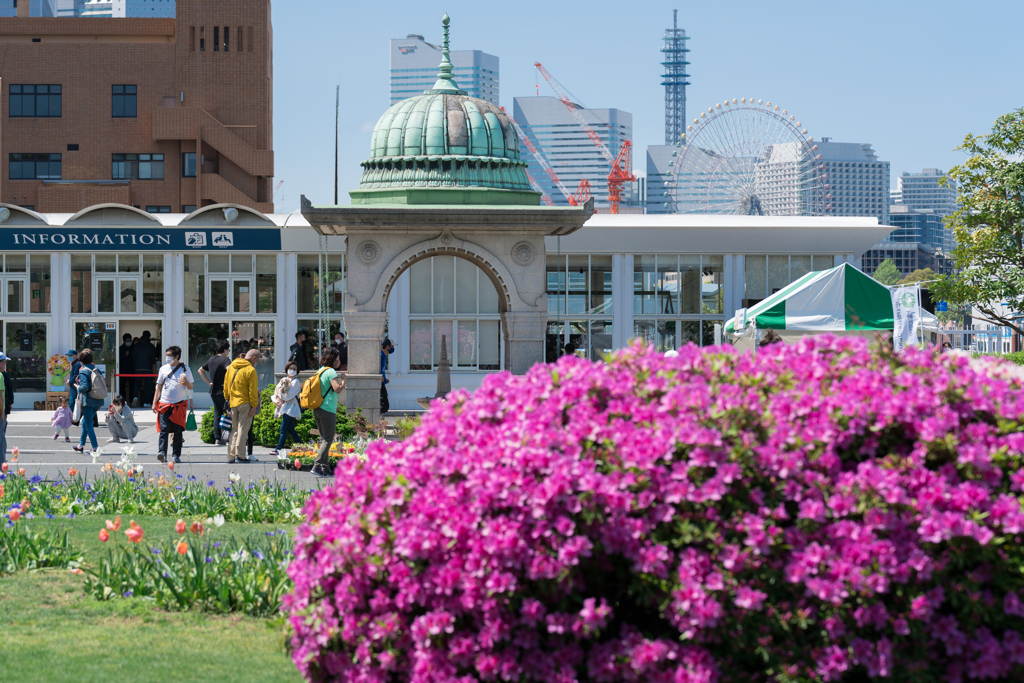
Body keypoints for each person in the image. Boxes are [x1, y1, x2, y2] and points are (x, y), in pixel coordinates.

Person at [152, 346, 193, 464]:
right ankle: (162, 452)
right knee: (163, 429)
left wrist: (186, 383)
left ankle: (176, 455)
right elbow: (159, 386)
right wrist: (155, 402)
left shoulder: (185, 369)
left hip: (179, 404)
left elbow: (191, 387)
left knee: (177, 430)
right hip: (164, 403)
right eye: (166, 355)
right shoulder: (163, 369)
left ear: (177, 357)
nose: (167, 358)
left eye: (170, 356)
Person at [312, 347, 346, 477]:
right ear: (333, 360)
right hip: (327, 408)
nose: (339, 361)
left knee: (323, 438)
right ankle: (316, 465)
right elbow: (337, 389)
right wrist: (344, 381)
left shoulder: (321, 370)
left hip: (318, 407)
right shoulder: (331, 371)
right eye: (337, 359)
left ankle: (325, 468)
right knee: (328, 439)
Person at [224, 349, 260, 464]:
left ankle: (231, 456)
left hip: (233, 402)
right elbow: (252, 391)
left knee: (234, 429)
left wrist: (227, 400)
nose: (257, 362)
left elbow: (225, 386)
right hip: (245, 403)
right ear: (253, 358)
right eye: (257, 360)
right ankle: (240, 455)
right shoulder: (251, 370)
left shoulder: (231, 367)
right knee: (243, 429)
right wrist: (254, 406)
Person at [199, 341, 231, 446]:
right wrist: (227, 383)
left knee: (217, 415)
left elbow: (200, 370)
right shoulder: (226, 360)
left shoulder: (211, 359)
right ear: (225, 350)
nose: (228, 352)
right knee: (229, 413)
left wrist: (209, 383)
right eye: (228, 350)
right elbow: (229, 370)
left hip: (213, 391)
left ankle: (217, 439)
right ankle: (228, 438)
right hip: (223, 392)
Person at [72, 348, 102, 455]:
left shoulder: (84, 371)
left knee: (88, 424)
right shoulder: (96, 369)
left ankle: (95, 447)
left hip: (88, 401)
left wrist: (77, 387)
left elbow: (84, 387)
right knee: (84, 422)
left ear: (81, 360)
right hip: (97, 400)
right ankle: (81, 445)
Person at [270, 361, 302, 457]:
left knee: (283, 428)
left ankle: (278, 449)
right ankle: (301, 447)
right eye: (290, 368)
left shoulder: (296, 382)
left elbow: (288, 396)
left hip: (291, 407)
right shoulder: (283, 379)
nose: (292, 371)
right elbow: (276, 392)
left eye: (294, 369)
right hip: (284, 407)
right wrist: (275, 400)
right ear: (286, 369)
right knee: (290, 429)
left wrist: (279, 396)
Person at [132, 330, 156, 408]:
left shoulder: (136, 346)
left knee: (137, 384)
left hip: (137, 369)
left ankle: (135, 397)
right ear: (149, 336)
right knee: (148, 385)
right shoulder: (151, 346)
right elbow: (153, 359)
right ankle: (146, 402)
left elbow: (133, 357)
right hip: (148, 369)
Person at [118, 332, 134, 406]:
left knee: (132, 387)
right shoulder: (121, 349)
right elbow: (118, 360)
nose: (129, 342)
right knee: (122, 387)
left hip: (132, 370)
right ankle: (122, 402)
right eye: (127, 341)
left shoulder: (134, 347)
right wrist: (125, 355)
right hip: (123, 371)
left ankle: (131, 401)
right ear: (124, 341)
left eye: (130, 340)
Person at [380, 338, 394, 416]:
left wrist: (385, 379)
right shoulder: (381, 355)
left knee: (385, 405)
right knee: (384, 405)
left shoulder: (384, 356)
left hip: (382, 382)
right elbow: (376, 368)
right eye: (391, 346)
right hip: (379, 382)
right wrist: (380, 377)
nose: (392, 348)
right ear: (387, 346)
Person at [0, 352, 7, 464]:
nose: (5, 364)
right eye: (4, 362)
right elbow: (0, 395)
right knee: (1, 443)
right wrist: (2, 413)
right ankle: (1, 470)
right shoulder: (0, 376)